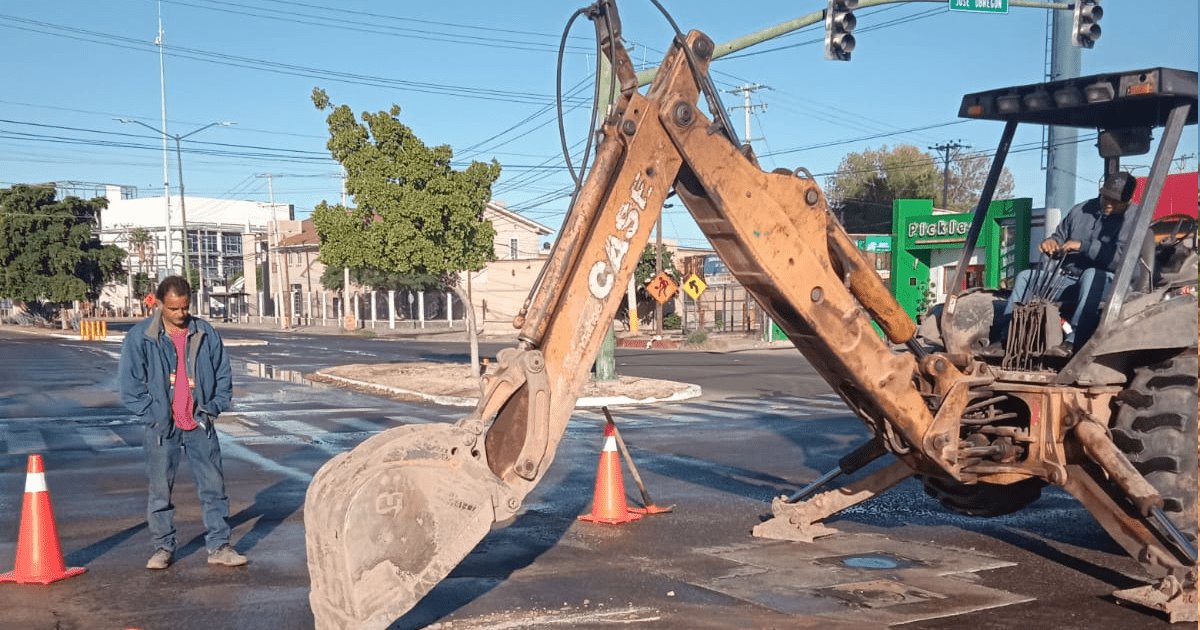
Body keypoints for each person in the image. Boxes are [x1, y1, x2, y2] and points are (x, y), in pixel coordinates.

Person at [118, 275, 245, 569]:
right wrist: (154, 415)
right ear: (160, 304)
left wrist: (212, 409)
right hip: (163, 429)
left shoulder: (204, 332)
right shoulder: (141, 337)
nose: (180, 314)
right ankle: (163, 547)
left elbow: (223, 374)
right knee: (160, 491)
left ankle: (220, 546)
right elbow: (129, 386)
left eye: (185, 308)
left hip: (200, 424)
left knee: (214, 487)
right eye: (173, 309)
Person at [987, 171, 1139, 358]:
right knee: (1026, 277)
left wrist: (1084, 246)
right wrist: (1051, 242)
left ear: (1129, 200)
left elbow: (1122, 258)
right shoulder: (1080, 210)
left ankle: (1072, 341)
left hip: (1112, 283)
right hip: (1070, 280)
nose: (1109, 203)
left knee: (1092, 274)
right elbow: (1059, 237)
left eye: (1116, 201)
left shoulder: (1135, 219)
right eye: (1106, 197)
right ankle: (1006, 337)